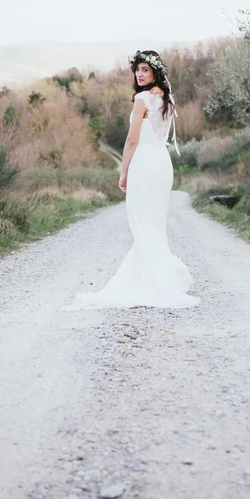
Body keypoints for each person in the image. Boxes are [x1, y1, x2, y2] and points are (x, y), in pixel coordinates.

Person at [62, 50, 200, 310]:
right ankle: (157, 276)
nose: (139, 73)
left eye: (145, 69)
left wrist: (123, 171)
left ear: (156, 72)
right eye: (137, 69)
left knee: (144, 223)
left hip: (145, 163)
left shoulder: (142, 99)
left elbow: (132, 140)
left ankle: (154, 283)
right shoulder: (167, 98)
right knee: (154, 223)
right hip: (162, 163)